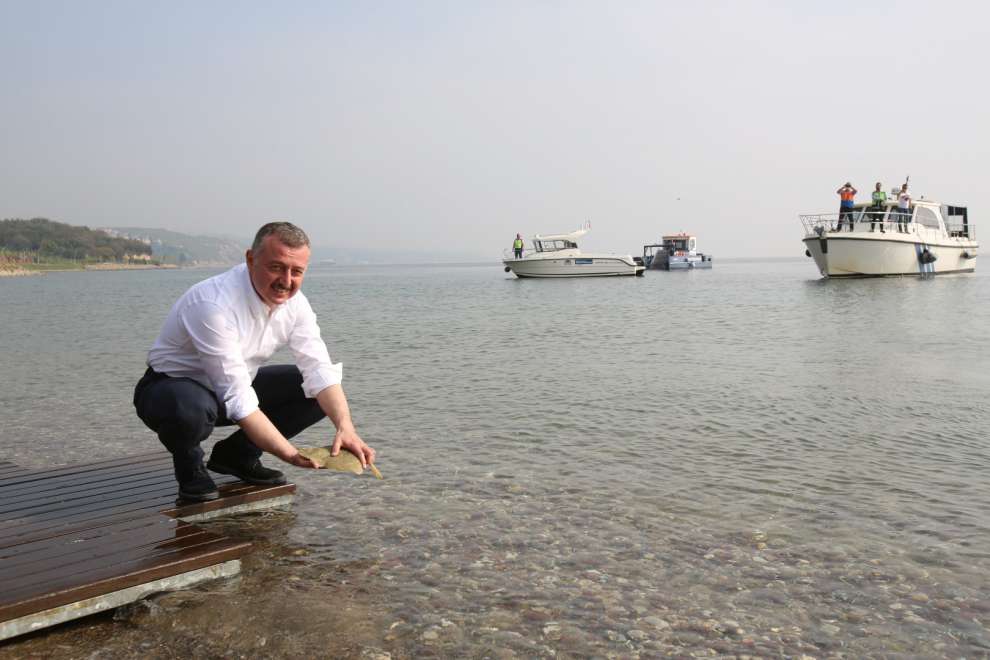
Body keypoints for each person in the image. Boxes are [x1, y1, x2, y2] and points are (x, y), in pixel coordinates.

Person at [133, 222, 376, 502]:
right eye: (276, 267)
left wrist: (346, 428)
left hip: (229, 389)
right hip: (169, 389)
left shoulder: (296, 305)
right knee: (189, 409)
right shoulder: (212, 304)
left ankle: (237, 456)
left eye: (296, 271)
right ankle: (190, 469)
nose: (286, 280)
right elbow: (237, 397)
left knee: (313, 391)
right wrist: (289, 454)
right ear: (251, 259)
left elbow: (319, 370)